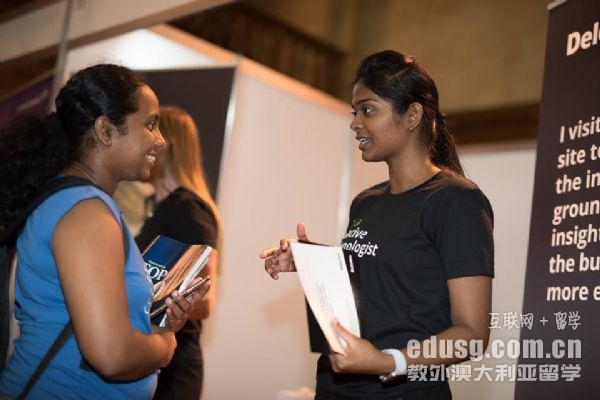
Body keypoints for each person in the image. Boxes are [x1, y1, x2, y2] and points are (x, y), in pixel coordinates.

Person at [259, 50, 494, 399]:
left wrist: (387, 362)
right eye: (354, 112)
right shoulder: (366, 201)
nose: (355, 123)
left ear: (412, 115)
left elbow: (472, 334)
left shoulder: (456, 200)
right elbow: (376, 287)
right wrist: (309, 260)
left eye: (367, 110)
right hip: (335, 389)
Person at [0, 64, 210, 399]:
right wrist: (165, 343)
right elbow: (111, 356)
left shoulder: (81, 203)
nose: (160, 140)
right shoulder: (86, 213)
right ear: (105, 131)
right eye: (150, 125)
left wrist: (161, 322)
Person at [135, 107, 221, 400]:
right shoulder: (163, 208)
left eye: (150, 132)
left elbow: (205, 301)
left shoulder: (188, 209)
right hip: (155, 360)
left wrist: (138, 305)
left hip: (174, 370)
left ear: (167, 144)